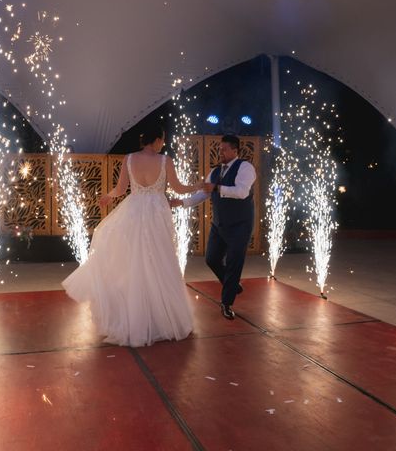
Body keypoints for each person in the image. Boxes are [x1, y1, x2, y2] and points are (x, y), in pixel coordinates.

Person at [61, 127, 202, 347]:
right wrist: (199, 186)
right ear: (156, 139)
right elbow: (178, 187)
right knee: (160, 261)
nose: (163, 144)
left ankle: (133, 319)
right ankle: (160, 319)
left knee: (133, 262)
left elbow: (120, 190)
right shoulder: (166, 160)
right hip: (156, 213)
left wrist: (107, 196)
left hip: (134, 211)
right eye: (162, 140)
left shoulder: (129, 159)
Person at [177, 134, 256, 320]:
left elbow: (242, 192)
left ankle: (226, 303)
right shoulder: (214, 171)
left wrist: (217, 188)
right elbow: (202, 194)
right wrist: (181, 202)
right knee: (211, 259)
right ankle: (233, 284)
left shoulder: (245, 167)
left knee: (234, 263)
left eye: (224, 149)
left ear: (235, 150)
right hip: (219, 224)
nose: (220, 152)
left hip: (240, 225)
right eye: (219, 149)